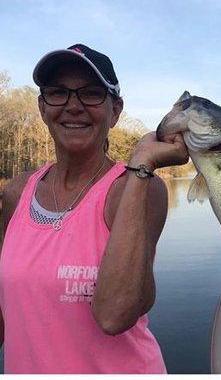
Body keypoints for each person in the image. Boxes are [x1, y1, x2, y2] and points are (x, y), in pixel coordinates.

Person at [0, 44, 189, 374]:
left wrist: (142, 165)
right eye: (58, 93)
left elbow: (115, 313)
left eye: (90, 93)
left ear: (115, 110)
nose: (73, 106)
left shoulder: (135, 189)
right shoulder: (16, 193)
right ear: (43, 108)